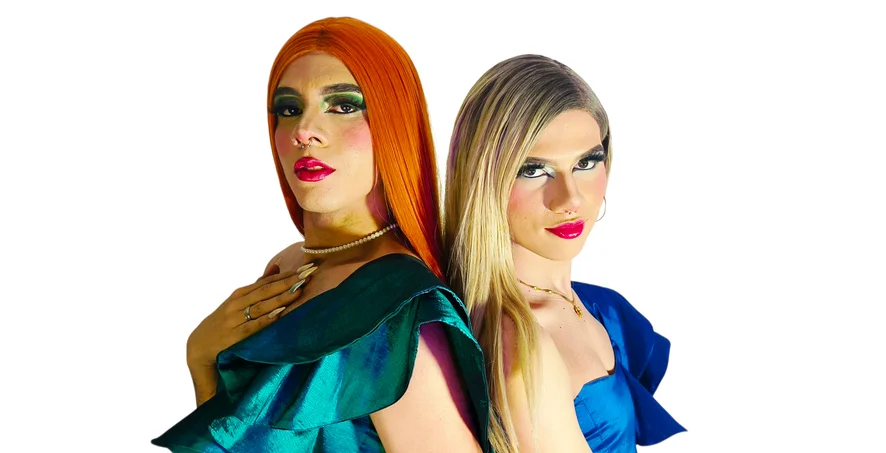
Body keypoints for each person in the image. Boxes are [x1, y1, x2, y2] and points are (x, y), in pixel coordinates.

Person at [152, 17, 490, 453]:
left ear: (395, 123)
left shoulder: (400, 309)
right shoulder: (289, 266)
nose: (303, 132)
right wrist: (201, 361)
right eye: (289, 109)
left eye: (343, 106)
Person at [444, 54, 685, 453]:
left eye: (586, 162)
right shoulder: (523, 345)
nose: (569, 198)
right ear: (485, 179)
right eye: (534, 170)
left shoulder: (594, 306)